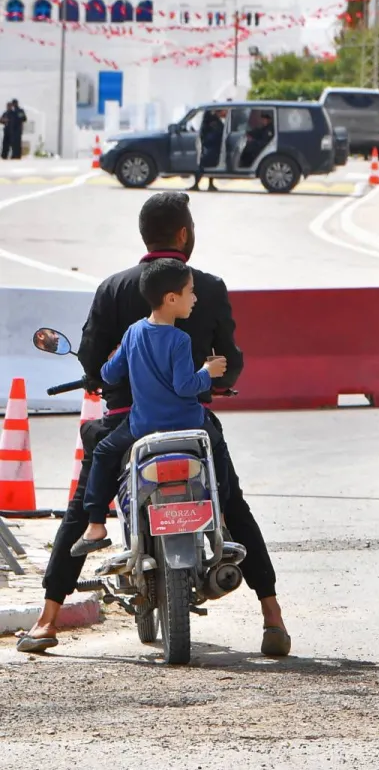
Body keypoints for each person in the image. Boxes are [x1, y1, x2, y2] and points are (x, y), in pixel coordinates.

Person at [16, 191, 289, 657]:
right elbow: (231, 361)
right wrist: (215, 379)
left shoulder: (114, 288)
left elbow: (94, 362)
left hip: (129, 423)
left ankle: (46, 620)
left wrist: (101, 378)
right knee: (233, 506)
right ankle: (272, 614)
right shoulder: (205, 287)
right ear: (184, 235)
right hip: (192, 423)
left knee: (83, 507)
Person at [71, 260, 228, 554]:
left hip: (143, 426)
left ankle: (95, 525)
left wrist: (111, 361)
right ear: (171, 299)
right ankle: (220, 516)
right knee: (216, 449)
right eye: (190, 292)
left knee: (104, 453)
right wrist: (208, 371)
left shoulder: (133, 334)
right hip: (187, 423)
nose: (194, 298)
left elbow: (108, 375)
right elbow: (185, 386)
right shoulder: (180, 340)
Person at [193, 109, 225, 191]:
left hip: (211, 147)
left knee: (204, 165)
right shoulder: (212, 121)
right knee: (205, 165)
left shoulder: (213, 121)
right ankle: (199, 184)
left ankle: (199, 184)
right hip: (210, 146)